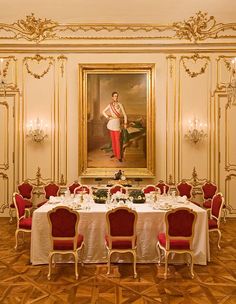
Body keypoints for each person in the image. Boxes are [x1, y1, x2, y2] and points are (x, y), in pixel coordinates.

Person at [102, 92, 127, 162]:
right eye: (114, 96)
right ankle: (115, 153)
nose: (116, 97)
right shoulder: (110, 105)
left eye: (117, 96)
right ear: (112, 97)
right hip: (111, 123)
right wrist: (108, 117)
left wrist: (125, 123)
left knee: (117, 140)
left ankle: (119, 156)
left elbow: (125, 115)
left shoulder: (120, 104)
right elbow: (103, 111)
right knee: (113, 140)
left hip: (117, 124)